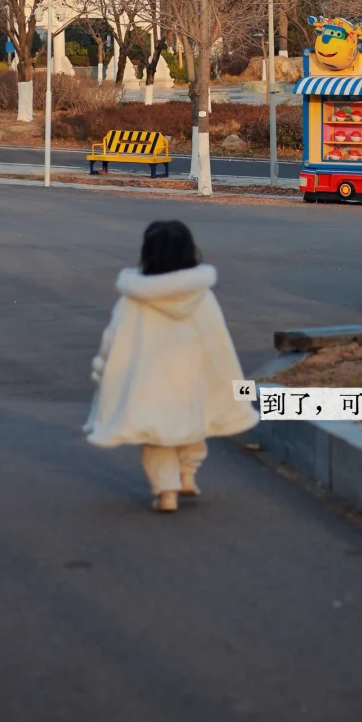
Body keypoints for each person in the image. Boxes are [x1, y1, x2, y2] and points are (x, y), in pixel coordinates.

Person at [85, 219, 257, 512]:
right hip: (191, 380)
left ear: (148, 253)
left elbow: (113, 338)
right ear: (191, 252)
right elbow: (218, 342)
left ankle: (166, 492)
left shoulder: (135, 298)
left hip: (148, 382)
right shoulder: (202, 296)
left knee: (154, 437)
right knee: (193, 426)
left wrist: (102, 371)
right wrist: (229, 381)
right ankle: (188, 475)